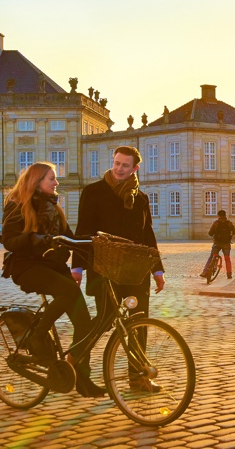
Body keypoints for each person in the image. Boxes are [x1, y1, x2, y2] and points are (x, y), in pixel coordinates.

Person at [2, 161, 105, 398]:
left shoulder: (54, 208)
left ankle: (81, 378)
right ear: (37, 181)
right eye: (52, 178)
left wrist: (95, 241)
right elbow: (8, 239)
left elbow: (70, 238)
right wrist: (33, 239)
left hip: (53, 266)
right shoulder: (19, 206)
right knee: (68, 290)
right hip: (27, 266)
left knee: (84, 326)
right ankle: (38, 334)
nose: (56, 183)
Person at [71, 145, 165, 393]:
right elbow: (83, 231)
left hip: (136, 271)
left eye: (125, 165)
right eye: (116, 163)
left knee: (138, 324)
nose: (119, 168)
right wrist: (77, 267)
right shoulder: (93, 192)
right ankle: (75, 361)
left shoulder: (141, 198)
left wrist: (157, 270)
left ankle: (138, 377)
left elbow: (148, 235)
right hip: (105, 268)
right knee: (104, 319)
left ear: (135, 168)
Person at [202, 210, 235, 279]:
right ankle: (229, 274)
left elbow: (210, 233)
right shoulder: (229, 223)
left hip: (217, 243)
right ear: (225, 215)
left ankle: (205, 272)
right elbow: (234, 232)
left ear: (218, 216)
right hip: (226, 244)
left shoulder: (216, 223)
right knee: (227, 258)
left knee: (211, 257)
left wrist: (213, 234)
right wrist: (229, 234)